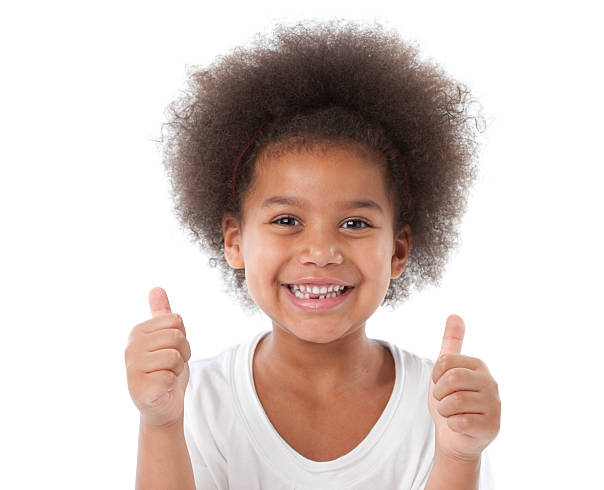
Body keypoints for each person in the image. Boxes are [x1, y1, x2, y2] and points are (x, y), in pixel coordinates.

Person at [125, 18, 501, 490]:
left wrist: (460, 456)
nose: (321, 252)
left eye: (355, 223)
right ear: (235, 240)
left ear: (399, 250)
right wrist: (159, 424)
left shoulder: (441, 405)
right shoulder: (196, 398)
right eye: (287, 221)